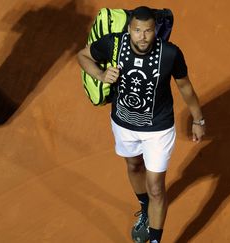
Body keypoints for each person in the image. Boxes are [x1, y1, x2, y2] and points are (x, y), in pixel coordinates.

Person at [77, 6, 205, 243]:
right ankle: (145, 210)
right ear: (129, 29)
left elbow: (185, 87)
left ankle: (155, 239)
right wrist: (101, 75)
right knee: (134, 166)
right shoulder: (113, 44)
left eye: (147, 31)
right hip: (123, 125)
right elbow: (83, 56)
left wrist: (198, 119)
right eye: (137, 30)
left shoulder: (170, 53)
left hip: (158, 129)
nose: (142, 36)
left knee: (156, 186)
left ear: (154, 30)